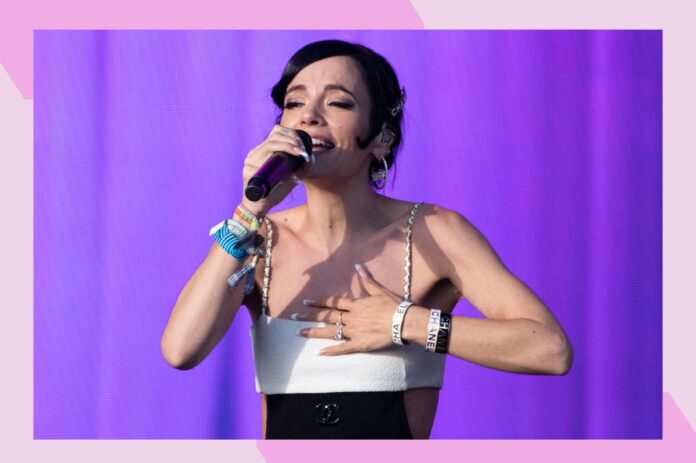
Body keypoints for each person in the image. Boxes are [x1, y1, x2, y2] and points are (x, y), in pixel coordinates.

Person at [161, 39, 573, 439]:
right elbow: (181, 350)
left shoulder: (434, 230)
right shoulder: (258, 238)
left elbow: (550, 350)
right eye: (294, 103)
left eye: (338, 103)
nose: (309, 117)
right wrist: (249, 212)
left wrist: (406, 322)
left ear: (382, 137)